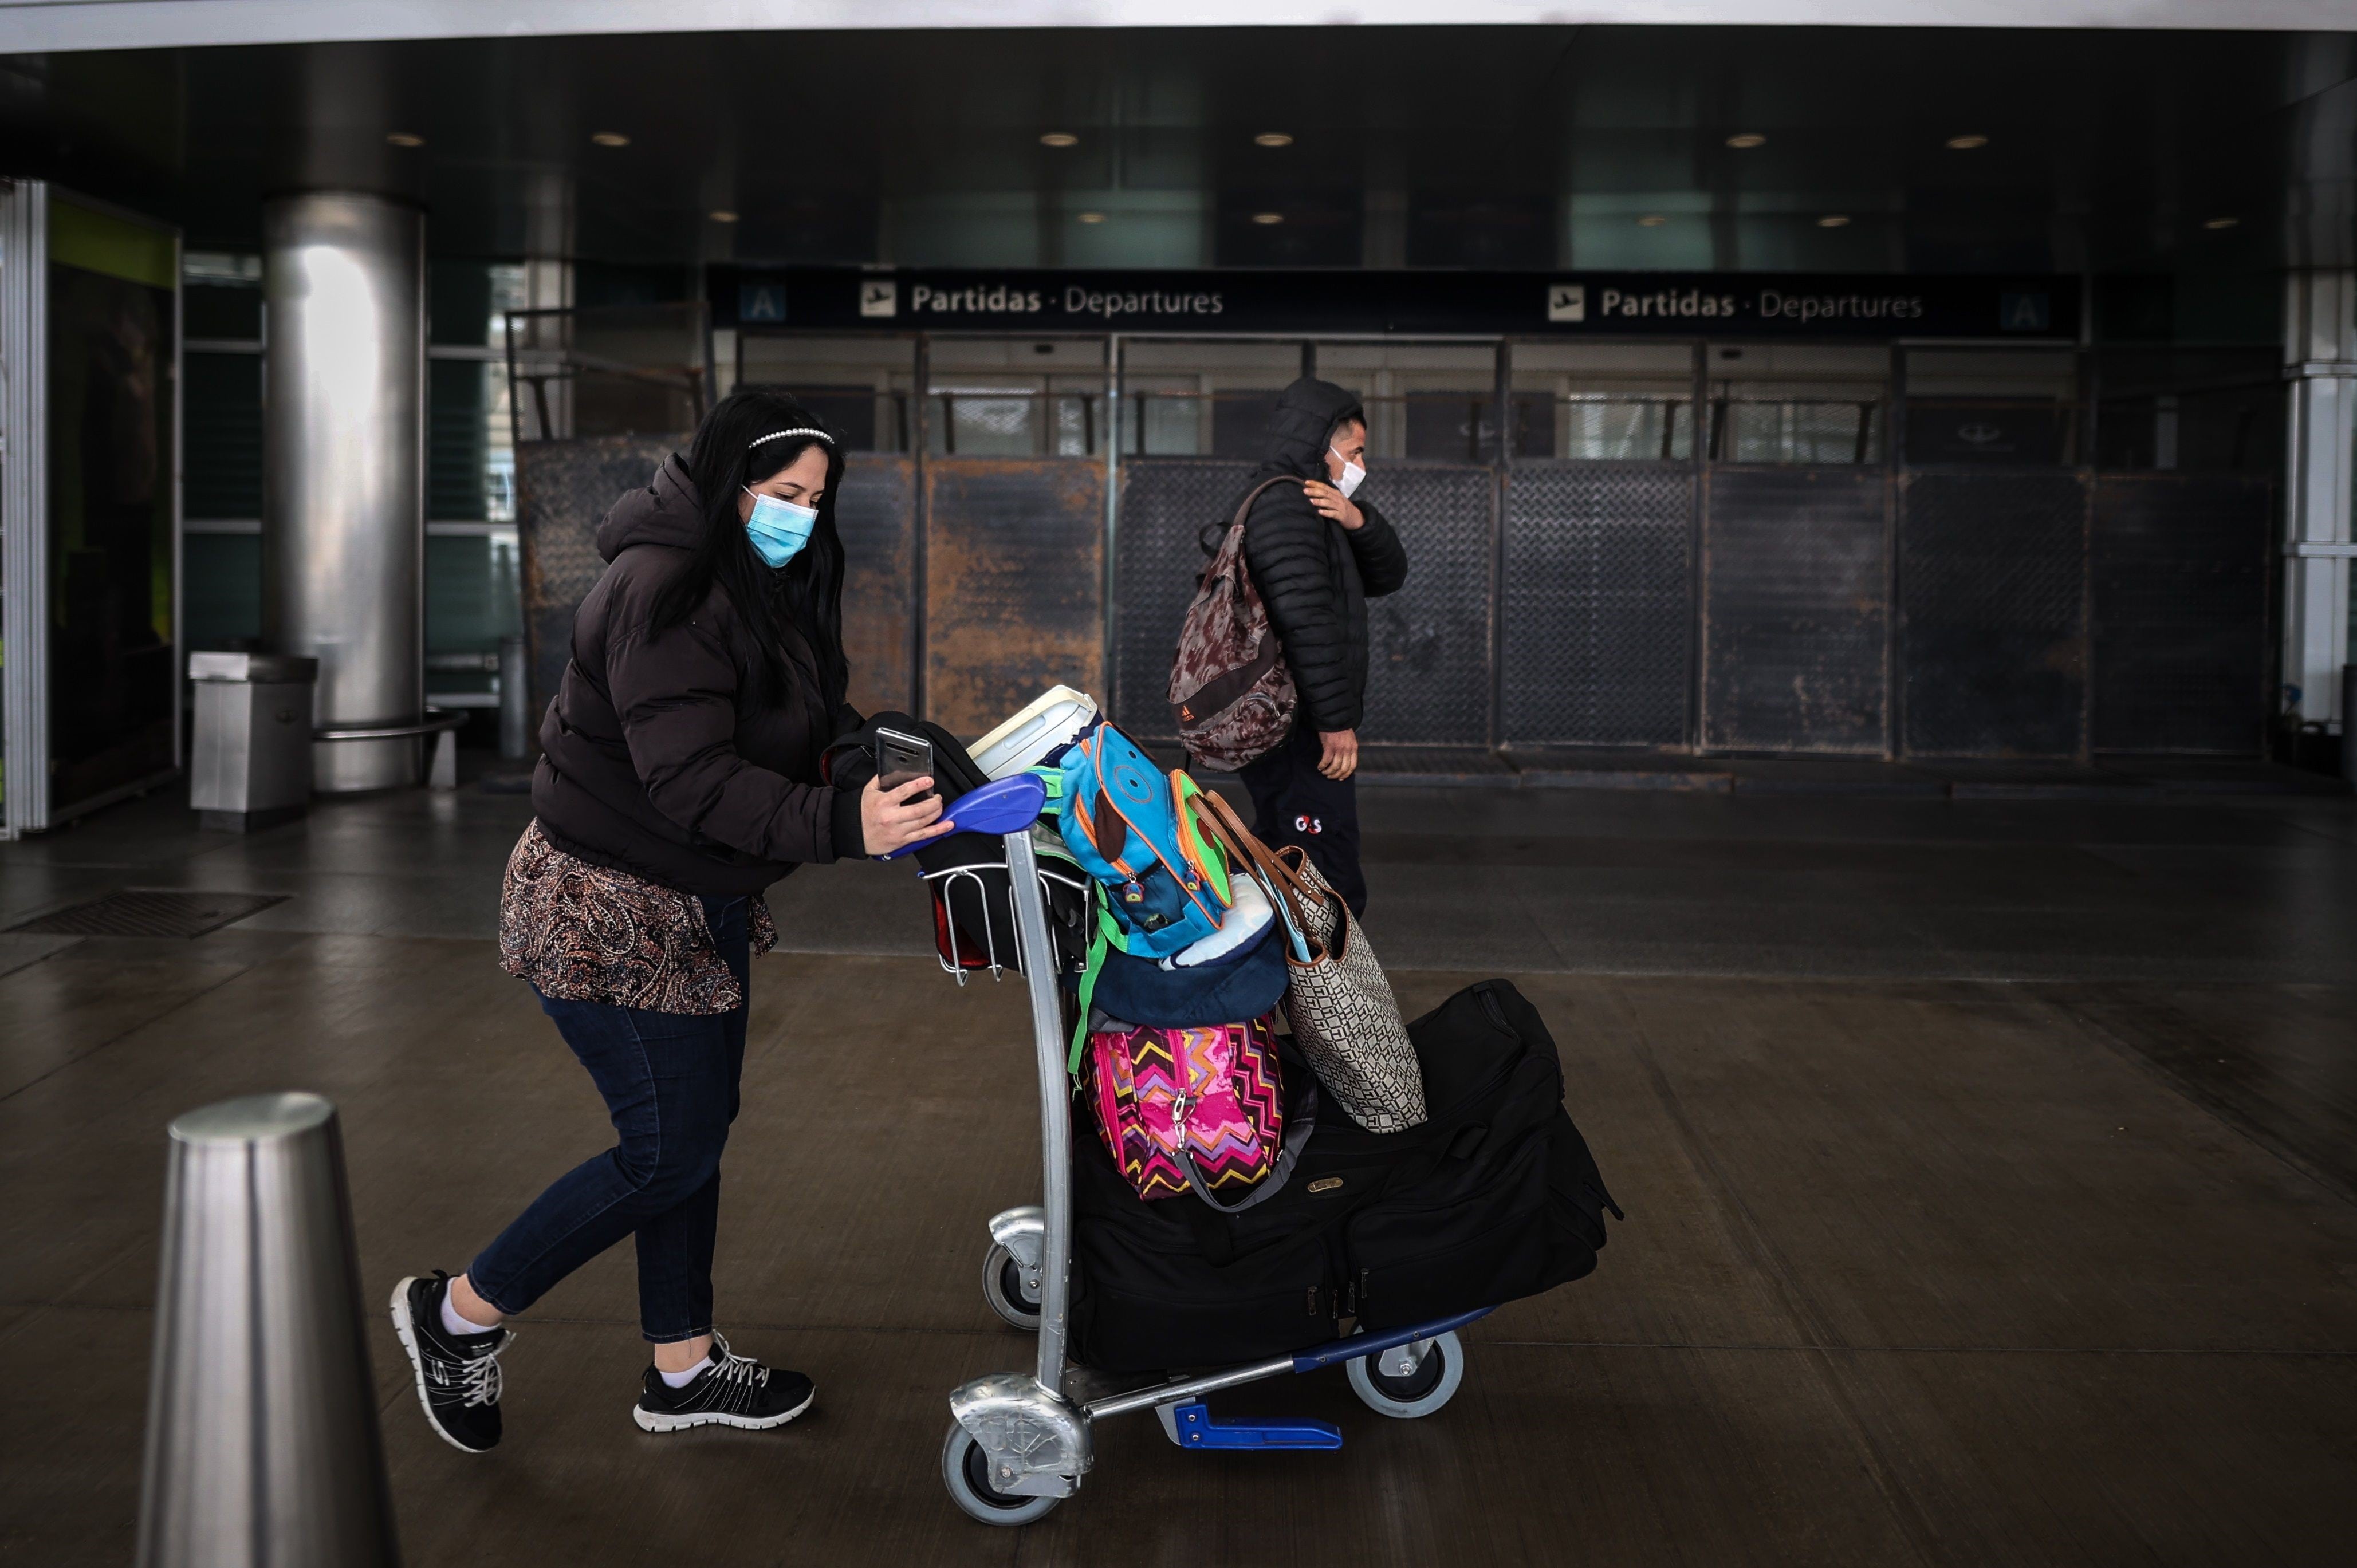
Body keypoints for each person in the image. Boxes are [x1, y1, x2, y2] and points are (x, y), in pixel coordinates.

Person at [389, 390, 953, 1453]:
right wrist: (842, 823)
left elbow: (798, 718)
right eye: (785, 493)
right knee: (665, 1150)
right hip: (607, 903)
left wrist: (867, 755)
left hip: (697, 896)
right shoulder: (661, 590)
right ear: (728, 477)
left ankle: (683, 1368)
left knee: (690, 1138)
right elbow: (691, 779)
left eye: (816, 500)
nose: (802, 515)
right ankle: (457, 1312)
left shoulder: (755, 578)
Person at [1234, 376, 1408, 916]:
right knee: (1320, 871)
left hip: (1297, 717)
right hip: (1296, 723)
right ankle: (1326, 993)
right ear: (1323, 446)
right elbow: (1305, 620)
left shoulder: (1319, 505)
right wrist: (1334, 722)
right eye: (1354, 452)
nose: (1359, 465)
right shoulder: (1287, 506)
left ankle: (1288, 992)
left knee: (1290, 854)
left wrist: (1358, 521)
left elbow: (1386, 576)